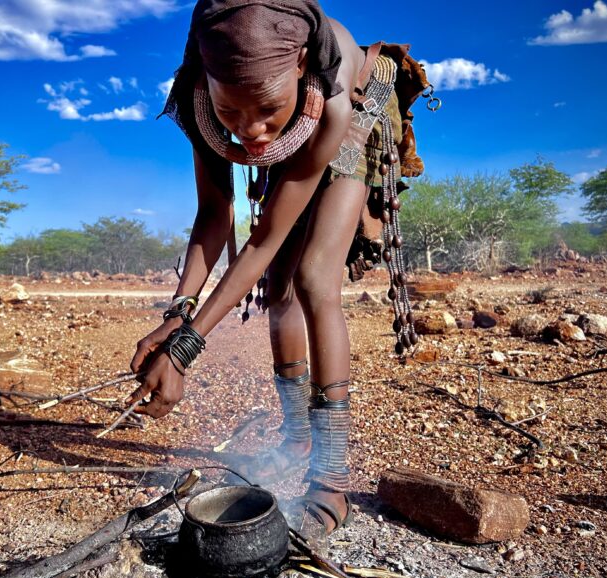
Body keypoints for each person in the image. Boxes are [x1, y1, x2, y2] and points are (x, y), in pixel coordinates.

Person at [128, 0, 430, 540]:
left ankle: (332, 477)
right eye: (231, 114)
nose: (252, 133)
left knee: (314, 278)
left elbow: (263, 238)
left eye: (267, 110)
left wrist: (186, 349)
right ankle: (297, 439)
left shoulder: (329, 97)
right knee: (279, 290)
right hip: (289, 104)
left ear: (298, 68)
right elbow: (213, 214)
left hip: (359, 99)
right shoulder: (201, 92)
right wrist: (179, 312)